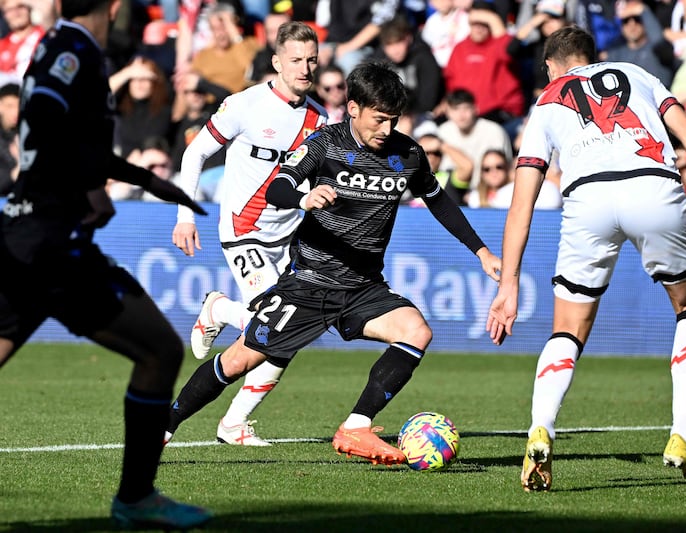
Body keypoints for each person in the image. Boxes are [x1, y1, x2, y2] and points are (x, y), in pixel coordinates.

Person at [165, 61, 501, 466]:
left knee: (416, 331)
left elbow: (438, 199)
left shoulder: (407, 153)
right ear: (354, 108)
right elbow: (279, 186)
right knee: (238, 361)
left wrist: (480, 250)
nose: (387, 129)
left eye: (393, 120)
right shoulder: (325, 143)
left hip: (363, 286)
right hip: (309, 281)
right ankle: (163, 429)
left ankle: (356, 426)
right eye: (379, 120)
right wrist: (304, 198)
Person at [486, 26, 686, 492]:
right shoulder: (637, 72)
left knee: (567, 329)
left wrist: (508, 285)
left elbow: (521, 202)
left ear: (553, 65)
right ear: (594, 56)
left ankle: (540, 430)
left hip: (587, 199)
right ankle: (682, 437)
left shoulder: (547, 99)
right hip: (654, 184)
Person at [0, 0, 212, 528]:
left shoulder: (65, 46)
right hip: (52, 244)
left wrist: (142, 181)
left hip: (30, 236)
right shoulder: (73, 49)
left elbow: (61, 135)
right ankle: (136, 498)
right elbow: (49, 125)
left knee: (157, 352)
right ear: (114, 5)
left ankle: (138, 498)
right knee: (161, 350)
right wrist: (95, 185)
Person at [169, 21, 327, 447]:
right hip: (244, 230)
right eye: (296, 60)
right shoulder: (245, 104)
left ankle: (233, 423)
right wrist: (186, 215)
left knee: (283, 340)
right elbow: (195, 152)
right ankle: (219, 310)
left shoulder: (320, 118)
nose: (305, 68)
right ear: (276, 62)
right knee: (277, 326)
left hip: (289, 239)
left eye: (312, 60)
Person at [0, 0, 46, 85]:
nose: (16, 13)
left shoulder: (46, 37)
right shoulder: (2, 46)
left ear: (29, 8)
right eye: (10, 10)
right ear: (4, 15)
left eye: (20, 7)